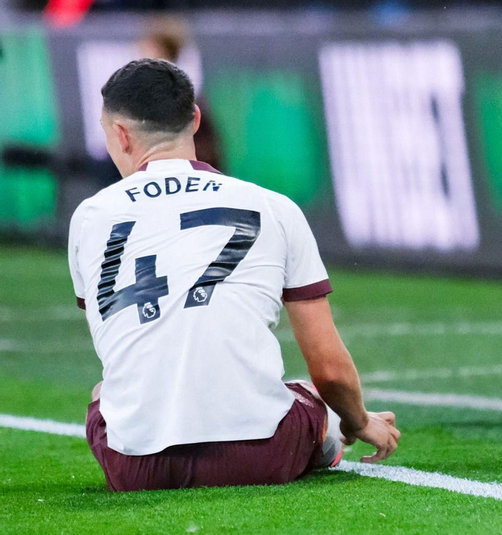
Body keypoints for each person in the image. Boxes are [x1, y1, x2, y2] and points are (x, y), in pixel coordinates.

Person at [67, 59, 400, 490]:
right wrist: (360, 421)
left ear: (120, 134)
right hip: (261, 456)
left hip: (135, 468)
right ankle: (329, 441)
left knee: (101, 392)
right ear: (196, 119)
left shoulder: (89, 217)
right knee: (315, 394)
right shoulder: (274, 206)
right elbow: (331, 371)